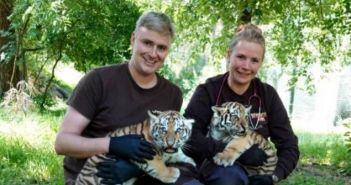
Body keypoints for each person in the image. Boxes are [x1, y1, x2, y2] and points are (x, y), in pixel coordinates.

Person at [54, 11, 201, 185]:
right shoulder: (98, 80)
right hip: (95, 177)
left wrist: (135, 167)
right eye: (147, 43)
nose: (153, 54)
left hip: (142, 177)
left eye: (161, 47)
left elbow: (166, 146)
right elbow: (62, 143)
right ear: (133, 40)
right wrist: (112, 144)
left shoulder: (172, 94)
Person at [184, 24, 300, 185]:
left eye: (254, 60)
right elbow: (188, 136)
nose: (246, 66)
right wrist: (234, 149)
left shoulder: (267, 94)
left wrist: (274, 176)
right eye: (241, 57)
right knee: (229, 178)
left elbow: (289, 145)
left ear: (261, 63)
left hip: (255, 171)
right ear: (229, 55)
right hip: (217, 167)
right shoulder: (208, 90)